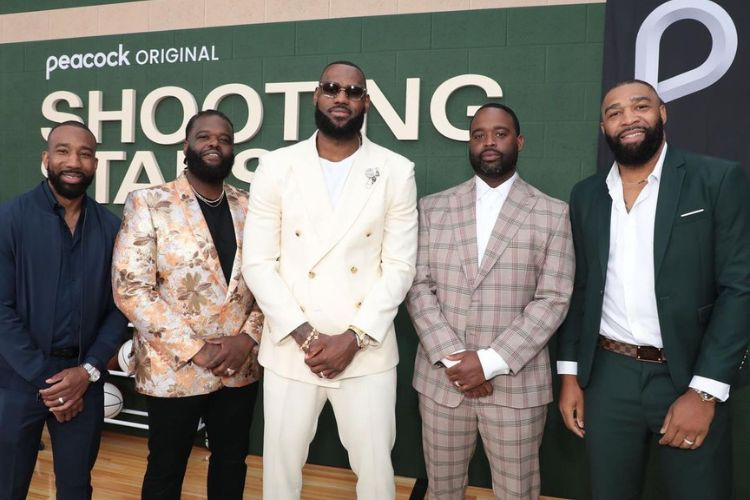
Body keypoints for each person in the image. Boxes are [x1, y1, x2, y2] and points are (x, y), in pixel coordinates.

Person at [557, 80, 750, 500]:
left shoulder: (716, 179)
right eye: (614, 113)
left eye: (640, 106)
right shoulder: (587, 195)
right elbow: (581, 288)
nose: (628, 118)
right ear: (603, 128)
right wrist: (571, 377)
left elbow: (741, 289)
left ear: (662, 113)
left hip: (687, 375)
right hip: (608, 378)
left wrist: (704, 391)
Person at [242, 60, 417, 500]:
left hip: (366, 351)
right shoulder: (276, 166)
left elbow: (400, 266)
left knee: (377, 475)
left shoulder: (397, 170)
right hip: (291, 349)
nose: (342, 98)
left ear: (367, 103)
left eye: (353, 91)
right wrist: (305, 336)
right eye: (332, 88)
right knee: (279, 476)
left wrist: (353, 339)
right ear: (316, 96)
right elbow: (259, 263)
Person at [406, 103, 575, 499]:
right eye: (479, 134)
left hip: (515, 386)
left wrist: (486, 363)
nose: (488, 142)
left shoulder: (552, 213)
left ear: (519, 141)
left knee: (517, 492)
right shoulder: (433, 208)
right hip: (442, 384)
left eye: (499, 134)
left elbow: (553, 298)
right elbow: (417, 287)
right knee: (442, 490)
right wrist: (455, 360)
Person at [112, 110, 263, 500]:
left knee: (231, 463)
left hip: (238, 365)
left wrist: (247, 339)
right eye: (204, 137)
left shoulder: (252, 208)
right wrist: (195, 350)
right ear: (186, 146)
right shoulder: (149, 202)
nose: (214, 143)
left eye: (224, 138)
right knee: (166, 467)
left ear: (232, 149)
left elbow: (272, 283)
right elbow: (131, 289)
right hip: (174, 367)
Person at [0, 121, 127, 499]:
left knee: (75, 488)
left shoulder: (111, 228)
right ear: (46, 158)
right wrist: (46, 381)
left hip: (81, 382)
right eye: (63, 151)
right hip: (18, 381)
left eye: (85, 154)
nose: (74, 161)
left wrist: (86, 372)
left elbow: (120, 309)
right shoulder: (11, 219)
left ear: (95, 164)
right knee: (8, 486)